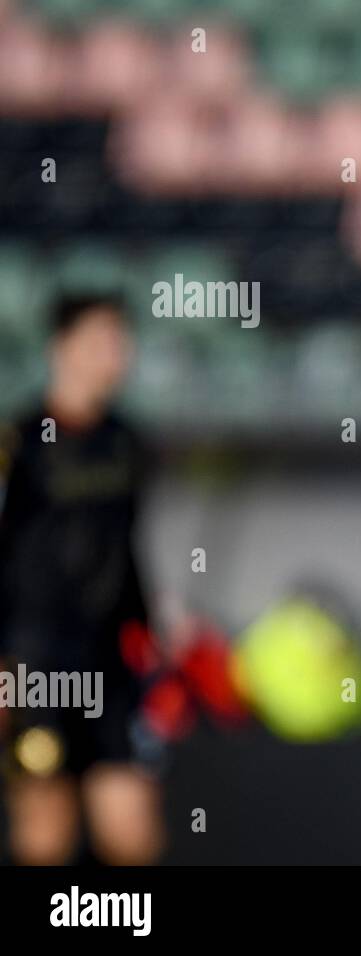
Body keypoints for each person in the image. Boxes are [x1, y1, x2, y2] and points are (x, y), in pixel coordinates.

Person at [0, 293, 165, 865]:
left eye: (120, 342)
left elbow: (128, 552)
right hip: (35, 661)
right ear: (60, 348)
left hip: (111, 663)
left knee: (132, 827)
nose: (113, 356)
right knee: (44, 828)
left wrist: (152, 633)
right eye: (98, 341)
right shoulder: (19, 444)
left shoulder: (127, 443)